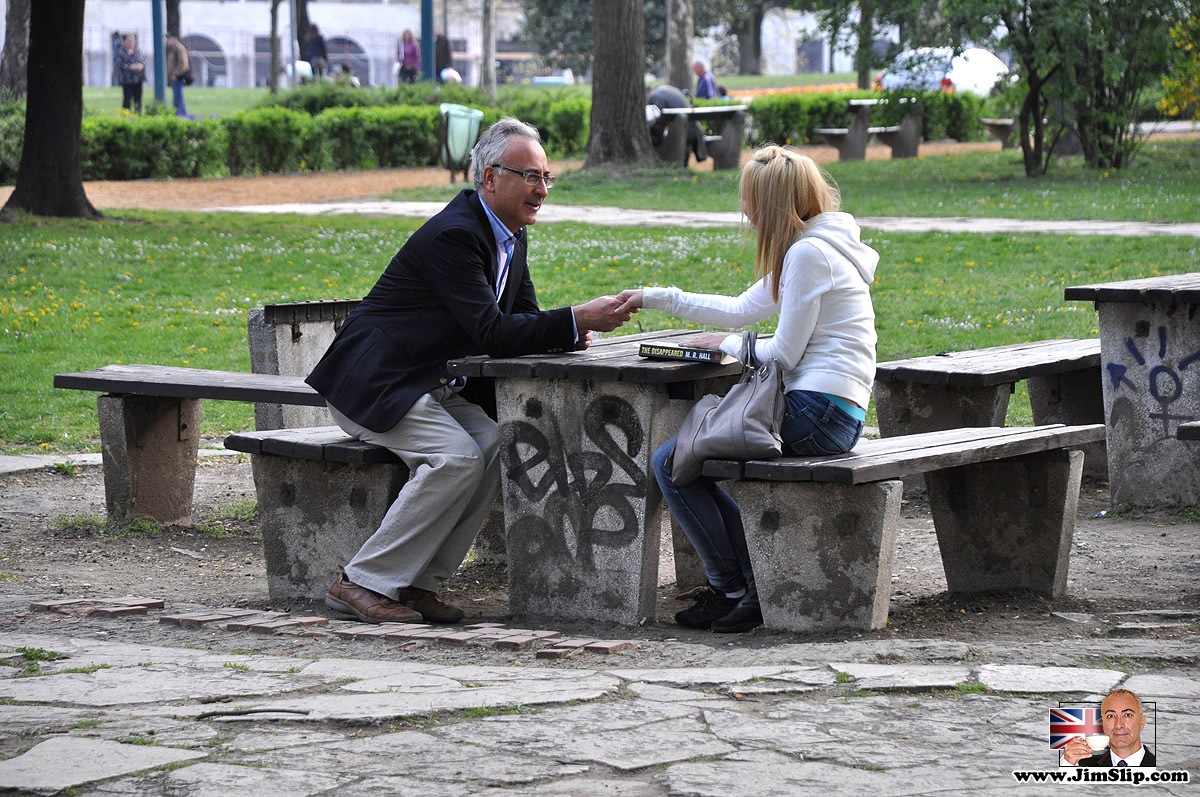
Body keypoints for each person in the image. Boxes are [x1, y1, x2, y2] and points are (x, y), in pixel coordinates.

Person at [307, 117, 632, 625]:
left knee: (496, 444)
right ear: (490, 178)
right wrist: (574, 318)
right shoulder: (455, 236)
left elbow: (522, 319)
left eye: (546, 177)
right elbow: (492, 333)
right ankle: (360, 581)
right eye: (530, 176)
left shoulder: (511, 236)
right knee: (456, 458)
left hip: (426, 383)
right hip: (375, 383)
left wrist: (572, 332)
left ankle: (416, 584)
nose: (542, 189)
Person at [614, 145, 879, 634]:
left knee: (672, 463)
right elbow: (740, 308)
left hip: (817, 413)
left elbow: (784, 355)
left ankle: (734, 589)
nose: (745, 212)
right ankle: (744, 586)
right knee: (685, 460)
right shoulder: (823, 245)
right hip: (835, 411)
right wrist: (654, 297)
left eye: (750, 201)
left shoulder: (808, 254)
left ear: (773, 204)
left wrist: (726, 345)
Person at [1061, 689, 1156, 767]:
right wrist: (1067, 764)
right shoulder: (1082, 766)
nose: (1118, 725)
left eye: (1127, 715)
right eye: (1111, 716)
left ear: (1142, 722)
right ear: (1102, 723)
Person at [646, 84, 707, 166]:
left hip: (683, 131)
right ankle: (684, 166)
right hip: (693, 130)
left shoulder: (655, 96)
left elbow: (658, 123)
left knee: (659, 140)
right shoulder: (667, 89)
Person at [115, 33, 146, 114]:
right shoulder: (121, 52)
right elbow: (119, 64)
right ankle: (125, 115)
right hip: (127, 80)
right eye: (129, 41)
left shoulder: (138, 51)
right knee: (127, 99)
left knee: (138, 99)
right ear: (125, 41)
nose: (131, 42)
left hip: (138, 79)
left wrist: (140, 66)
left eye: (132, 41)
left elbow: (143, 62)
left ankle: (137, 114)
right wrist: (130, 66)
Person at [165, 32, 189, 117]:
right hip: (174, 78)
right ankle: (179, 114)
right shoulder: (173, 49)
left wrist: (175, 74)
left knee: (178, 99)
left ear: (174, 39)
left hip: (178, 78)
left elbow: (183, 64)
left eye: (169, 38)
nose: (167, 40)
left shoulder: (179, 48)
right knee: (177, 98)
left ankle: (181, 115)